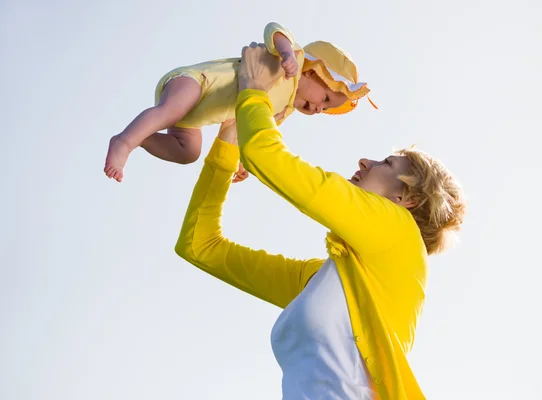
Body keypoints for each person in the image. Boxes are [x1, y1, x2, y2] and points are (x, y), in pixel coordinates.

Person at [174, 43, 466, 399]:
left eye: (387, 164)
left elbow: (269, 159)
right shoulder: (325, 282)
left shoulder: (399, 230)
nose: (365, 162)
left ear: (407, 200)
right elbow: (200, 246)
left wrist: (254, 93)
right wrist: (228, 139)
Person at [104, 22, 373, 183]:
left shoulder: (284, 109)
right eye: (324, 98)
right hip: (197, 82)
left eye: (325, 109)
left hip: (193, 119)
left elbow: (252, 129)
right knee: (173, 109)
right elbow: (275, 30)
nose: (318, 108)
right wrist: (287, 53)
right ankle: (124, 141)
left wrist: (242, 161)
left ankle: (141, 137)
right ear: (315, 71)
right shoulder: (294, 60)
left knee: (189, 153)